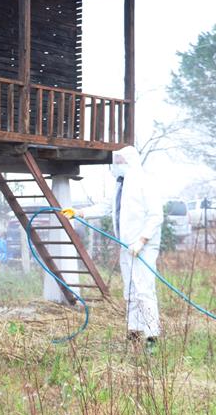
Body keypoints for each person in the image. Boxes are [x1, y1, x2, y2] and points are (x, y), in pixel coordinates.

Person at [61, 146, 163, 347]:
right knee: (130, 291)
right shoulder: (120, 185)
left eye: (119, 161)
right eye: (115, 161)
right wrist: (79, 213)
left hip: (143, 247)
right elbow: (106, 207)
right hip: (127, 246)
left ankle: (152, 336)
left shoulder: (144, 182)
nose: (116, 165)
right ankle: (134, 331)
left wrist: (142, 240)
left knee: (144, 290)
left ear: (129, 162)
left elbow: (155, 216)